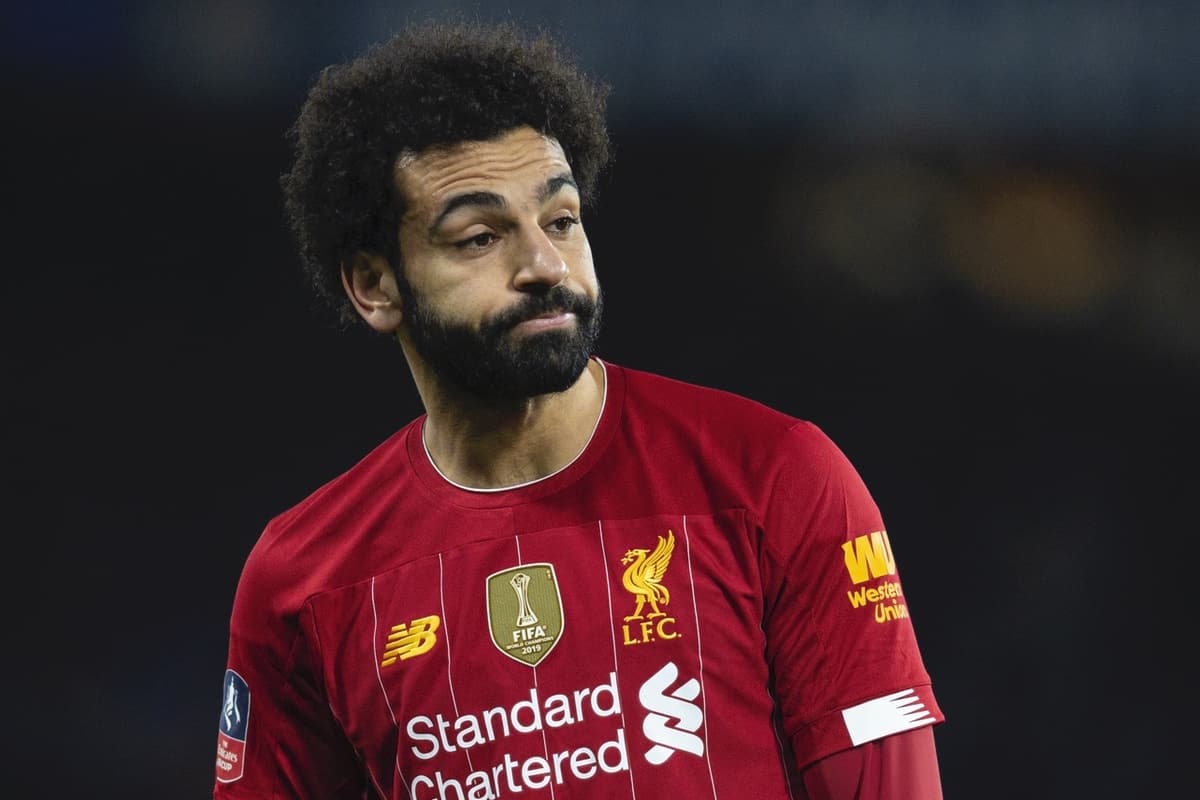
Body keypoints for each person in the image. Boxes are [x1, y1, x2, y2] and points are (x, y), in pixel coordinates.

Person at [214, 17, 945, 800]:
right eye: (478, 238)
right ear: (374, 285)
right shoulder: (303, 580)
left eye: (560, 220)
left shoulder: (777, 478)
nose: (543, 263)